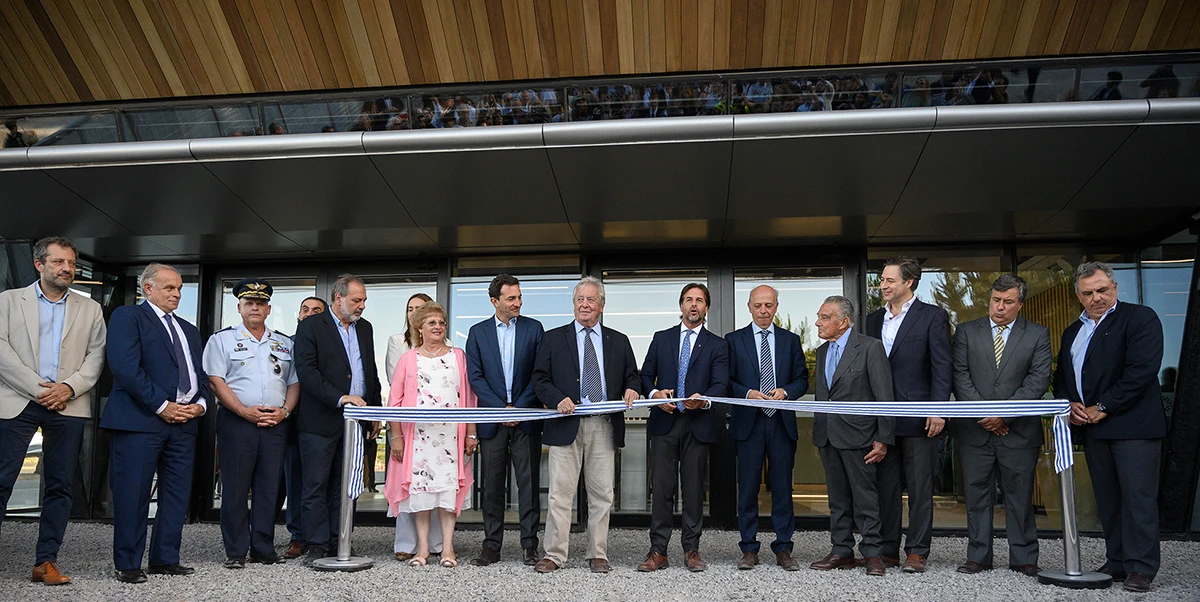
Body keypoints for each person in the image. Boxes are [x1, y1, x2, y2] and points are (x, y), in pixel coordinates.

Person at [0, 237, 106, 586]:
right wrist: (38, 389)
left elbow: (96, 356)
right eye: (59, 262)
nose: (67, 269)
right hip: (17, 402)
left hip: (69, 404)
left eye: (72, 264)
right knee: (2, 479)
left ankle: (46, 561)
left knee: (60, 486)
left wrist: (69, 388)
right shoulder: (9, 301)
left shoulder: (89, 308)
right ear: (39, 264)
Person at [1055, 262, 1166, 593]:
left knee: (1138, 499)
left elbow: (1142, 370)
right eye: (1088, 293)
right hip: (1092, 428)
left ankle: (1141, 567)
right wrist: (1069, 404)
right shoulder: (1073, 331)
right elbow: (1063, 376)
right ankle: (1117, 561)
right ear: (1078, 296)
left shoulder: (1140, 318)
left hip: (1133, 427)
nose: (1096, 298)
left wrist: (1104, 406)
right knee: (1109, 500)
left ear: (1115, 288)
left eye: (1102, 290)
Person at [100, 263, 210, 583]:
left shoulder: (189, 330)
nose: (176, 294)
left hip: (184, 423)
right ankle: (129, 563)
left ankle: (165, 558)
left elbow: (200, 376)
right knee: (133, 494)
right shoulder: (128, 317)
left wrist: (200, 406)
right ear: (148, 289)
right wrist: (162, 406)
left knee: (176, 494)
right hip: (141, 421)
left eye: (179, 289)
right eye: (169, 288)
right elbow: (125, 368)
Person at [531, 276, 639, 574]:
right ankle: (554, 554)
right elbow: (540, 379)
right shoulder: (553, 338)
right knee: (559, 494)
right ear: (574, 304)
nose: (585, 304)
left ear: (601, 305)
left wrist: (632, 389)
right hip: (565, 424)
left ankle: (598, 553)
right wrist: (557, 399)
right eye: (580, 299)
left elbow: (633, 376)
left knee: (602, 494)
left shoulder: (619, 340)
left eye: (591, 299)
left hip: (603, 426)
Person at [950, 274, 1052, 577]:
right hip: (974, 431)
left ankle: (1023, 557)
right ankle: (978, 556)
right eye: (996, 300)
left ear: (1020, 304)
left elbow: (1037, 380)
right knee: (976, 496)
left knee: (1019, 497)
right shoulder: (967, 332)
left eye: (1008, 302)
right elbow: (960, 376)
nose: (1000, 307)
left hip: (1018, 432)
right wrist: (985, 416)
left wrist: (1005, 416)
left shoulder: (1037, 334)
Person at [203, 278, 299, 569]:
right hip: (237, 422)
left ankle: (262, 547)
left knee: (269, 487)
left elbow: (294, 382)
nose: (255, 307)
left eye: (260, 303)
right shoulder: (221, 340)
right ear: (239, 307)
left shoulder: (284, 342)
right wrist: (243, 411)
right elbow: (215, 380)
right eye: (249, 303)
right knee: (235, 487)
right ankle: (235, 550)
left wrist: (284, 412)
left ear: (269, 309)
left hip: (275, 422)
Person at [864, 256, 951, 574]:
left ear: (909, 282)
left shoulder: (933, 316)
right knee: (885, 488)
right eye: (882, 280)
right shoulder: (873, 320)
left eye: (889, 280)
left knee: (919, 488)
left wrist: (938, 409)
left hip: (920, 420)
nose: (883, 285)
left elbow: (942, 367)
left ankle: (917, 551)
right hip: (882, 421)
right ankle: (888, 550)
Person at [637, 282, 729, 573]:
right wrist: (654, 395)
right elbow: (644, 376)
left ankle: (692, 549)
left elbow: (720, 385)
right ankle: (658, 550)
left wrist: (703, 401)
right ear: (680, 306)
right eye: (688, 299)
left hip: (698, 424)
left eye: (699, 300)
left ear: (706, 307)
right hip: (665, 422)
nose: (693, 305)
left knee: (692, 490)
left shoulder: (717, 344)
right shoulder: (661, 338)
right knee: (662, 488)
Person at [293, 274, 382, 566]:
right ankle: (317, 544)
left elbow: (370, 372)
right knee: (316, 485)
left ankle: (340, 540)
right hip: (320, 420)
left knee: (346, 485)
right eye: (357, 300)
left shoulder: (365, 328)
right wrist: (341, 397)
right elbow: (307, 373)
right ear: (338, 298)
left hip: (356, 422)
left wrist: (375, 413)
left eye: (364, 300)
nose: (362, 306)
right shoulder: (311, 327)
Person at [385, 302, 478, 567]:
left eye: (441, 323)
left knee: (449, 495)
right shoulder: (408, 359)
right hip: (418, 439)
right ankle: (423, 549)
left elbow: (470, 398)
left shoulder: (458, 356)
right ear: (419, 328)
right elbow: (395, 401)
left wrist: (471, 434)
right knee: (422, 495)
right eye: (432, 323)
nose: (438, 327)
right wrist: (397, 437)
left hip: (451, 437)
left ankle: (448, 549)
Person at [726, 285, 809, 571]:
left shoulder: (790, 340)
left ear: (776, 307)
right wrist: (748, 393)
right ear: (749, 307)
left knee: (783, 489)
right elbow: (726, 381)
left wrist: (786, 391)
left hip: (781, 423)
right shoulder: (734, 340)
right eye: (758, 305)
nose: (763, 311)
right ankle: (749, 548)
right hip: (748, 423)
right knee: (748, 489)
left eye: (769, 305)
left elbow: (803, 379)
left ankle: (784, 548)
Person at [465, 275, 545, 567]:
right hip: (492, 421)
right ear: (494, 301)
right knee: (493, 485)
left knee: (529, 484)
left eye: (519, 297)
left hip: (526, 419)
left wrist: (517, 409)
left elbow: (539, 373)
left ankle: (529, 546)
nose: (518, 303)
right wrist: (502, 410)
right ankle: (491, 546)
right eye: (511, 298)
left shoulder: (534, 329)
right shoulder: (477, 333)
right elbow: (475, 378)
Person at [810, 295, 893, 576]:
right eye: (819, 316)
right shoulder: (821, 353)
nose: (818, 323)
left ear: (843, 322)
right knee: (837, 499)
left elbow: (884, 397)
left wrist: (883, 438)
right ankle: (841, 550)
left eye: (824, 317)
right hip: (828, 438)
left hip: (860, 438)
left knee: (866, 499)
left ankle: (872, 554)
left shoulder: (870, 349)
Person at [383, 292, 444, 560]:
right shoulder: (398, 342)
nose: (413, 312)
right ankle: (406, 544)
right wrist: (395, 433)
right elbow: (394, 380)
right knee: (408, 485)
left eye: (420, 308)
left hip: (439, 430)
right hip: (408, 424)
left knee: (436, 486)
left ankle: (435, 544)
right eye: (410, 309)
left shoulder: (448, 346)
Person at [280, 296, 327, 559]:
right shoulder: (285, 344)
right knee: (295, 479)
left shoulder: (328, 343)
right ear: (298, 315)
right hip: (292, 419)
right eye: (305, 310)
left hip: (320, 420)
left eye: (316, 311)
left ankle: (323, 536)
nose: (309, 314)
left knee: (320, 482)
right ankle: (297, 536)